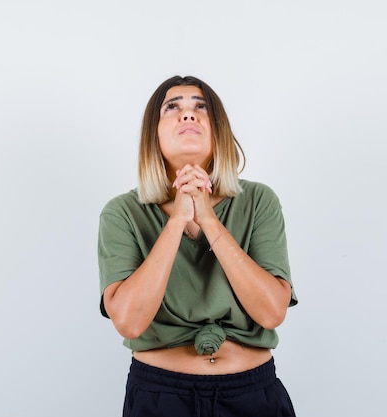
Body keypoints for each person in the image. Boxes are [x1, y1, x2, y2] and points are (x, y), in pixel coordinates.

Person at [98, 75, 298, 417]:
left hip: (252, 395)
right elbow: (129, 323)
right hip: (160, 396)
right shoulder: (122, 213)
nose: (188, 115)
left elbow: (271, 312)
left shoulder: (259, 201)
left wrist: (208, 219)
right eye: (172, 107)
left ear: (217, 129)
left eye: (200, 107)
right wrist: (177, 220)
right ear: (153, 134)